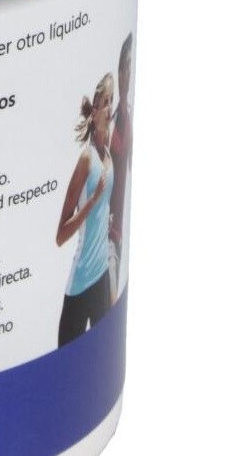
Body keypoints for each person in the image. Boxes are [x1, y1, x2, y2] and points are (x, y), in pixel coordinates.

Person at [56, 73, 115, 346]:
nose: (110, 108)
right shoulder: (86, 159)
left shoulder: (109, 157)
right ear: (94, 112)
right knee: (65, 357)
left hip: (102, 275)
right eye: (105, 102)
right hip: (81, 282)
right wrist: (92, 201)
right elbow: (60, 236)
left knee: (103, 354)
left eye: (112, 100)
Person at [109, 34, 133, 300]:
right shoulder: (110, 122)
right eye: (123, 67)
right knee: (111, 299)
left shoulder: (128, 116)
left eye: (129, 66)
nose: (127, 73)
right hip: (107, 239)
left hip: (121, 233)